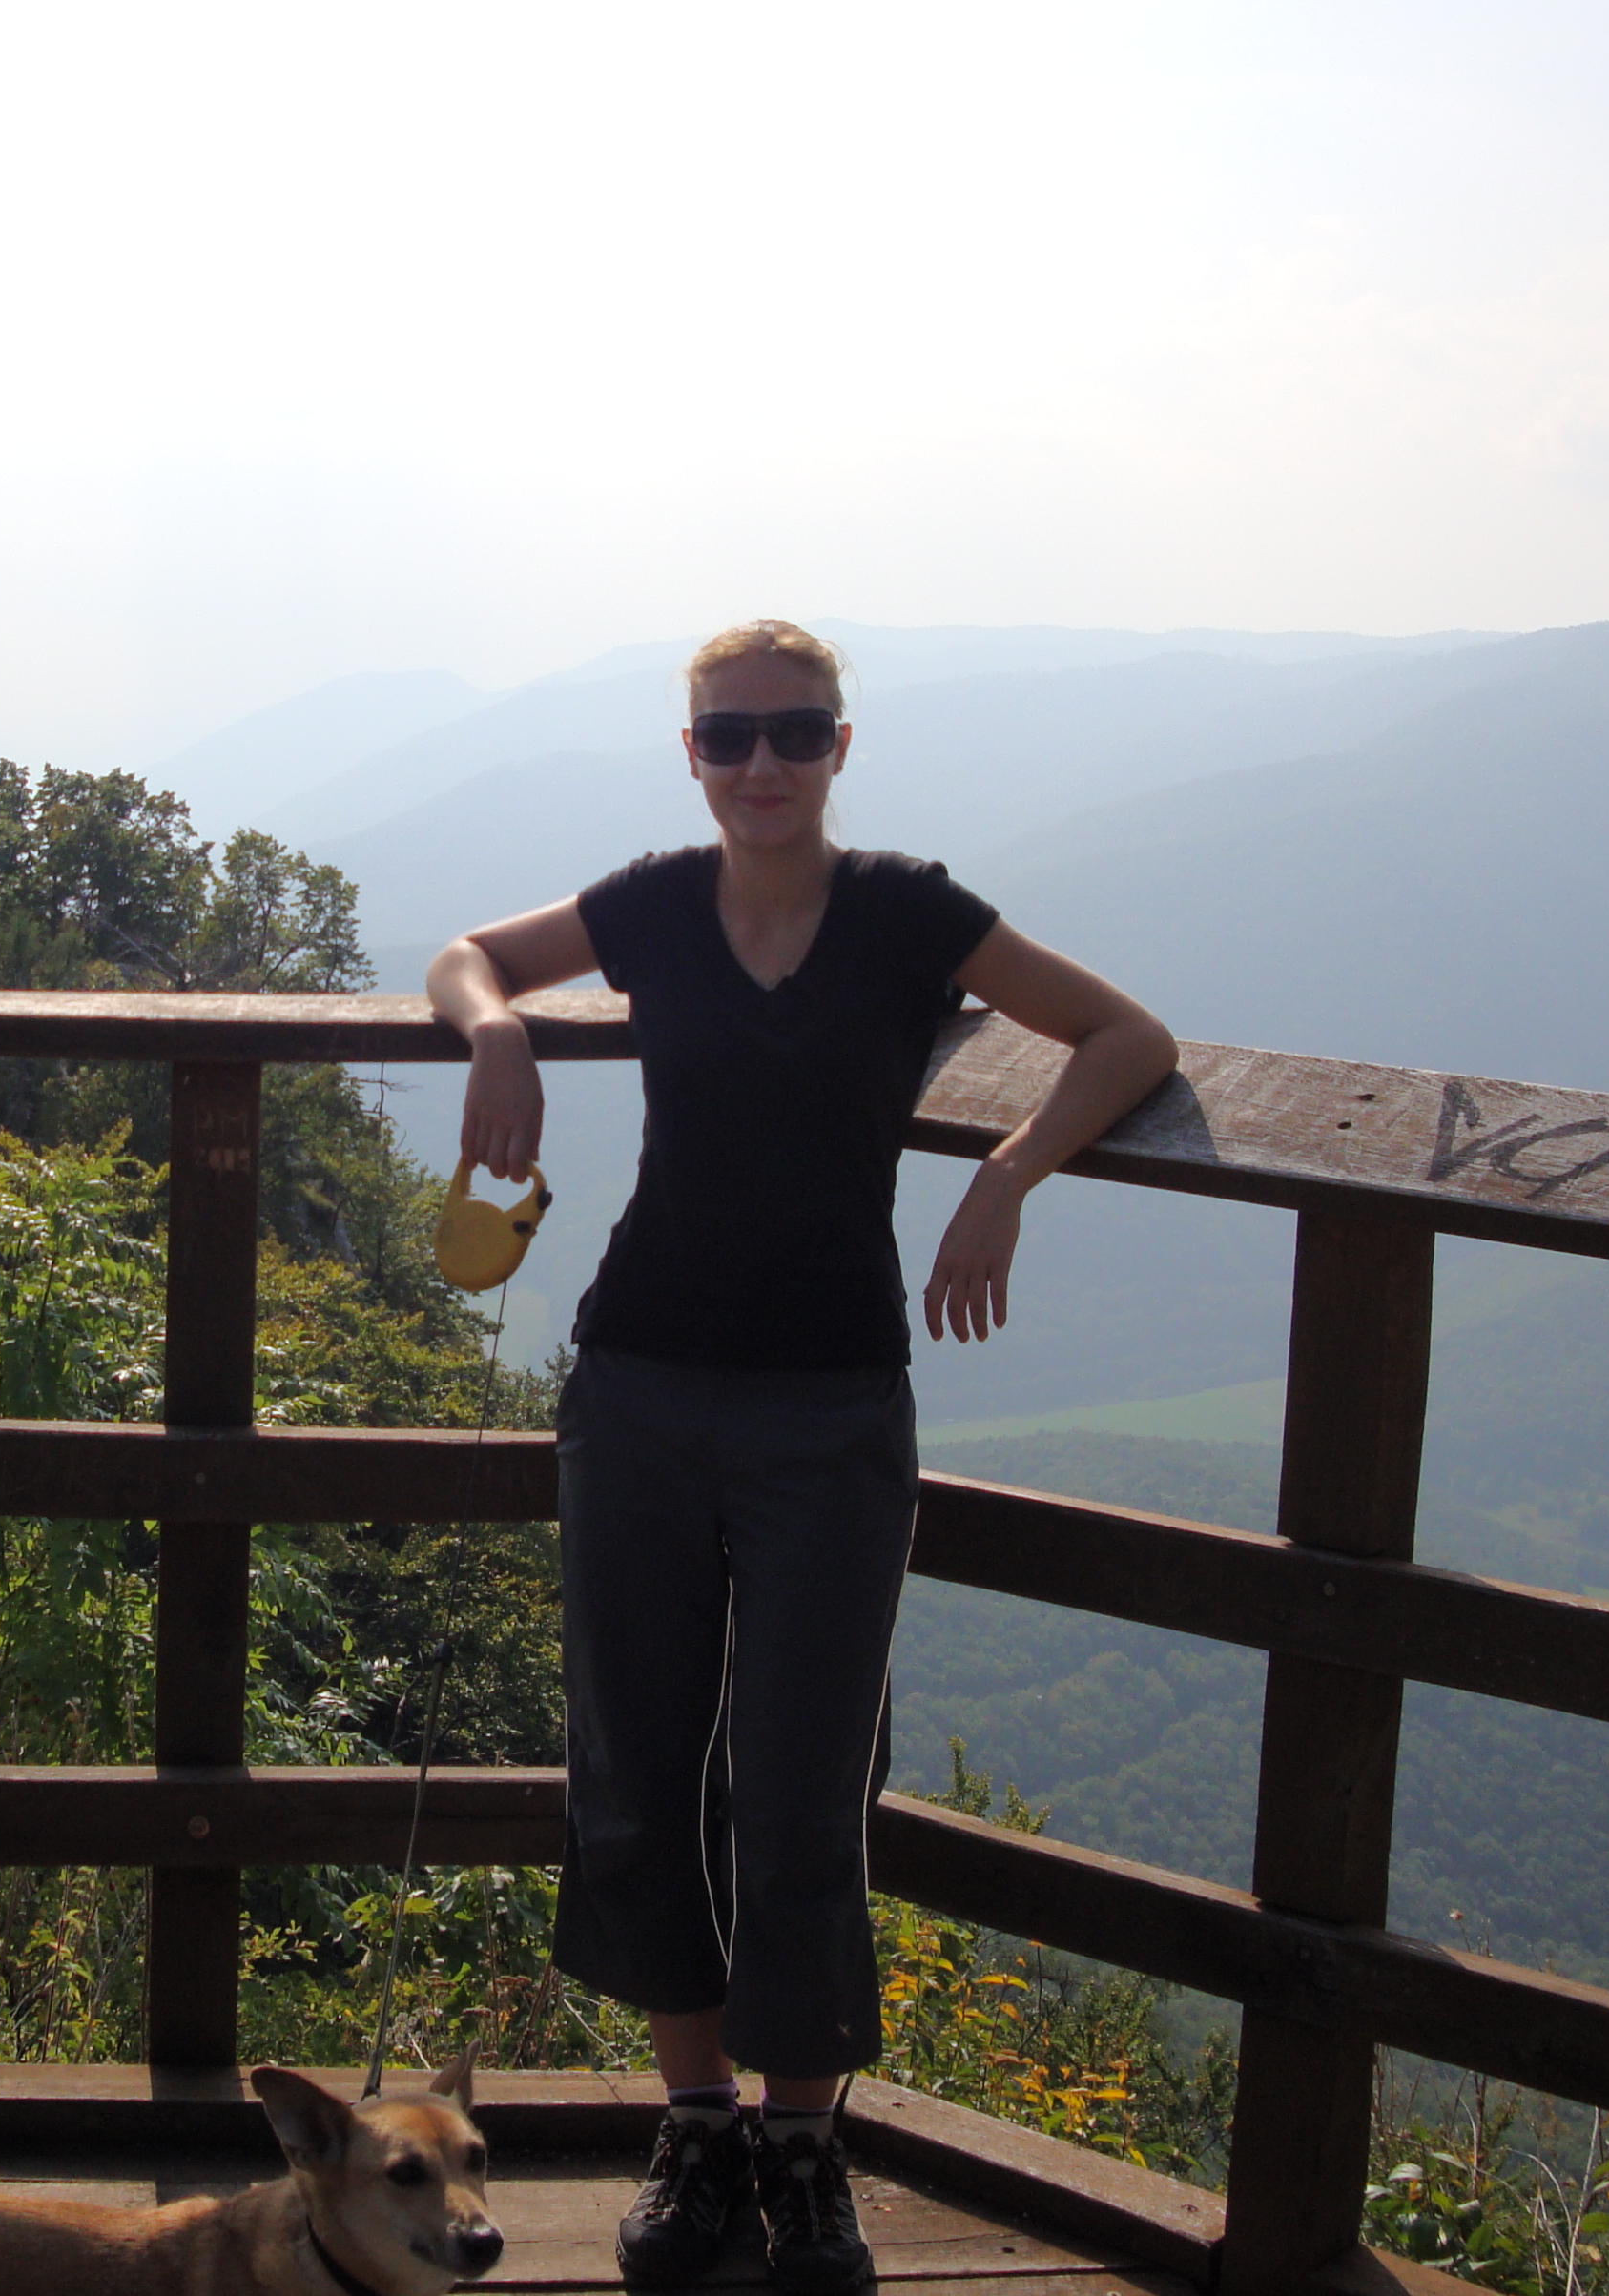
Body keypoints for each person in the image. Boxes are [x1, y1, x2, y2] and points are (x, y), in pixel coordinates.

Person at [424, 619, 1179, 2293]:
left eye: (795, 731)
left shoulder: (910, 913)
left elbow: (1129, 1037)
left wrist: (1007, 1174)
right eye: (728, 736)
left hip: (833, 1407)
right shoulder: (653, 905)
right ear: (690, 755)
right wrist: (497, 1031)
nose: (761, 763)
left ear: (844, 745)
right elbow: (468, 954)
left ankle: (801, 2140)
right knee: (638, 1773)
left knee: (803, 1790)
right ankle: (699, 2124)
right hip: (639, 1386)